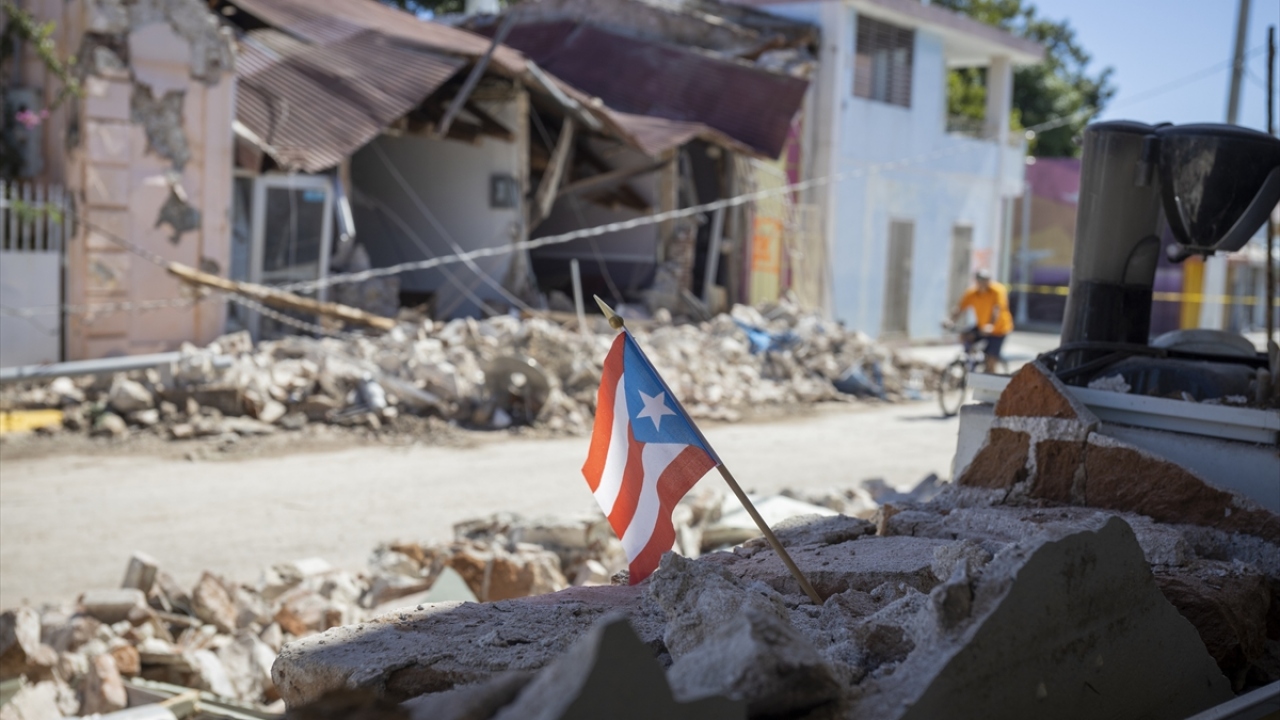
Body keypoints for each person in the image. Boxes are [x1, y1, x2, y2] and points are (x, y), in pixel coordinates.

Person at [950, 269, 1014, 373]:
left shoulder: (997, 290)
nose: (982, 282)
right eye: (980, 280)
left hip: (999, 329)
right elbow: (959, 308)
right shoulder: (972, 293)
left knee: (991, 359)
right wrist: (950, 320)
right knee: (965, 336)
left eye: (985, 280)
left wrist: (990, 325)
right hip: (982, 326)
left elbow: (996, 309)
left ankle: (991, 380)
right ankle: (971, 361)